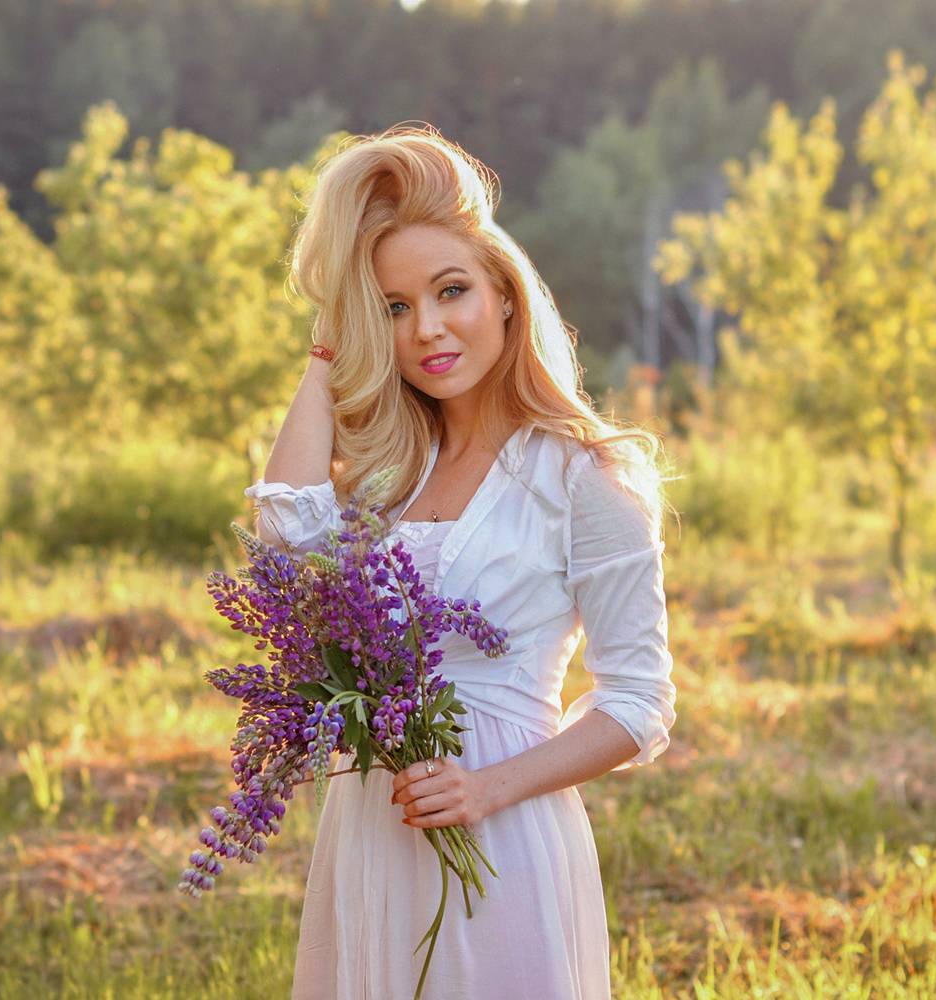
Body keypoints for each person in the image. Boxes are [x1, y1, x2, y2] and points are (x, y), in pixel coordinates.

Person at [245, 125, 677, 1000]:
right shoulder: (386, 479)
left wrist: (485, 789)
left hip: (503, 837)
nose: (428, 330)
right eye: (394, 308)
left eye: (452, 292)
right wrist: (327, 355)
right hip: (373, 824)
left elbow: (640, 704)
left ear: (507, 296)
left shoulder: (586, 474)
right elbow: (285, 556)